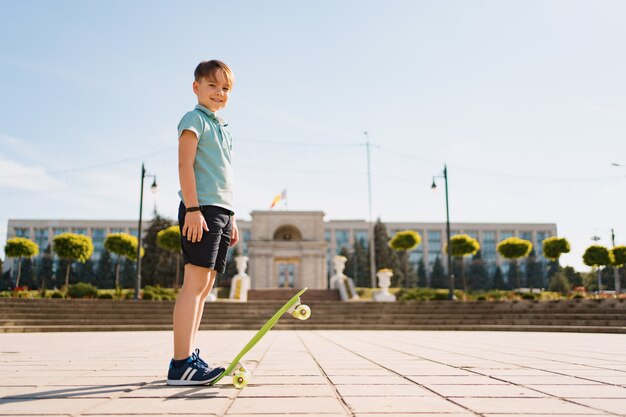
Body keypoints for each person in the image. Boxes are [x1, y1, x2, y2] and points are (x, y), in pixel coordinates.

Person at [166, 60, 239, 385]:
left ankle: (189, 356)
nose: (219, 93)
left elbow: (224, 177)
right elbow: (185, 166)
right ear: (196, 88)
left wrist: (232, 217)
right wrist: (193, 209)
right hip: (202, 210)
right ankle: (180, 364)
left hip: (220, 211)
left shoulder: (223, 128)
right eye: (212, 86)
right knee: (193, 285)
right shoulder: (193, 119)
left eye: (225, 88)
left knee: (205, 286)